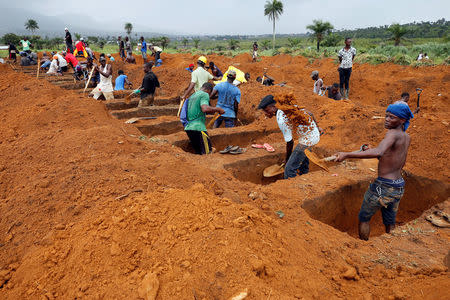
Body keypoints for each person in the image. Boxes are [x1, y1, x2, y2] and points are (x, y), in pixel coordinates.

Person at [333, 103, 413, 240]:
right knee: (390, 221)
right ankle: (391, 245)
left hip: (383, 186)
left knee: (364, 218)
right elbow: (390, 156)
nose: (386, 119)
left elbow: (380, 151)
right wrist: (371, 150)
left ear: (402, 120)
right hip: (398, 186)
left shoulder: (392, 134)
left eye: (391, 117)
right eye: (386, 115)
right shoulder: (406, 137)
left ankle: (364, 247)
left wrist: (346, 154)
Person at [258, 95, 323, 179]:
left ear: (274, 107)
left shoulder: (282, 119)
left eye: (267, 110)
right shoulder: (287, 107)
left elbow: (290, 142)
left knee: (289, 170)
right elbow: (310, 113)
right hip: (312, 136)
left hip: (308, 140)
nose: (266, 114)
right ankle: (304, 179)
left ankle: (292, 188)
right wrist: (317, 128)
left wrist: (287, 159)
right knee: (302, 161)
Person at [184, 82, 225, 155]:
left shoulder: (193, 95)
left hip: (189, 128)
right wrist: (218, 109)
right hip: (199, 128)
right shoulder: (204, 94)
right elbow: (205, 108)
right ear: (209, 90)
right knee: (208, 153)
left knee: (199, 153)